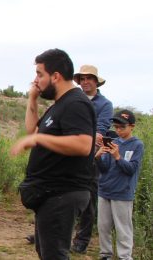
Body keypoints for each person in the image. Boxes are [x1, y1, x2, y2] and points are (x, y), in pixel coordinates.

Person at [11, 48, 96, 259]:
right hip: (51, 194)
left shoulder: (75, 103)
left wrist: (39, 139)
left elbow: (84, 144)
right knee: (47, 253)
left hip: (63, 193)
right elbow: (33, 131)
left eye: (40, 74)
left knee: (54, 255)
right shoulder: (59, 105)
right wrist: (32, 100)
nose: (36, 80)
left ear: (56, 76)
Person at [70, 64, 113, 254]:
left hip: (90, 155)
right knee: (61, 193)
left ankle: (82, 240)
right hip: (68, 152)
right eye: (82, 78)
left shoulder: (104, 105)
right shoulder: (71, 100)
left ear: (96, 82)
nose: (85, 81)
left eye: (89, 78)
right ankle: (53, 234)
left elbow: (100, 133)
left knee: (88, 197)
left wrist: (77, 139)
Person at [96, 110, 143, 260]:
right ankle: (105, 255)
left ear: (132, 126)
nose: (118, 130)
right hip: (104, 190)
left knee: (123, 229)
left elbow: (131, 169)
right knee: (103, 227)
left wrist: (117, 157)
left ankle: (125, 257)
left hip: (122, 193)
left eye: (122, 127)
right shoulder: (113, 143)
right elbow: (104, 168)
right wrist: (98, 157)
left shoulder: (137, 145)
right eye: (116, 127)